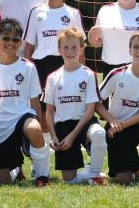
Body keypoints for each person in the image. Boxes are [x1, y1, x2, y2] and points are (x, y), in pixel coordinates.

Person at [0, 18, 50, 186]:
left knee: (33, 128)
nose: (11, 42)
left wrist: (38, 127)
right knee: (2, 182)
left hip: (21, 119)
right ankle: (16, 169)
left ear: (20, 43)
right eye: (6, 38)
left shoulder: (28, 67)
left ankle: (41, 176)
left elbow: (34, 101)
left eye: (15, 39)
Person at [24, 0, 85, 141]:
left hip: (66, 62)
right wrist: (28, 67)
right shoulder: (37, 12)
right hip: (41, 63)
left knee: (65, 100)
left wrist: (82, 68)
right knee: (44, 104)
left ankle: (66, 134)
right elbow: (29, 43)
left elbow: (81, 45)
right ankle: (45, 140)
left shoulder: (73, 13)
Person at [96, 31, 139, 184]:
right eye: (136, 47)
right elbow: (95, 101)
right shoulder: (117, 74)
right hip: (117, 129)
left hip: (138, 126)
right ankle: (133, 170)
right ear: (130, 50)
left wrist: (123, 124)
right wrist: (112, 120)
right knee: (124, 180)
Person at [43, 28, 106, 185]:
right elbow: (49, 112)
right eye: (65, 47)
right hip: (63, 125)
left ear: (81, 49)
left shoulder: (88, 74)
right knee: (69, 182)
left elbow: (90, 109)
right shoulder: (53, 78)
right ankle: (85, 173)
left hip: (84, 122)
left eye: (74, 47)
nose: (70, 51)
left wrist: (73, 135)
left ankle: (94, 175)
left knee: (98, 133)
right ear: (59, 50)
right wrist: (54, 136)